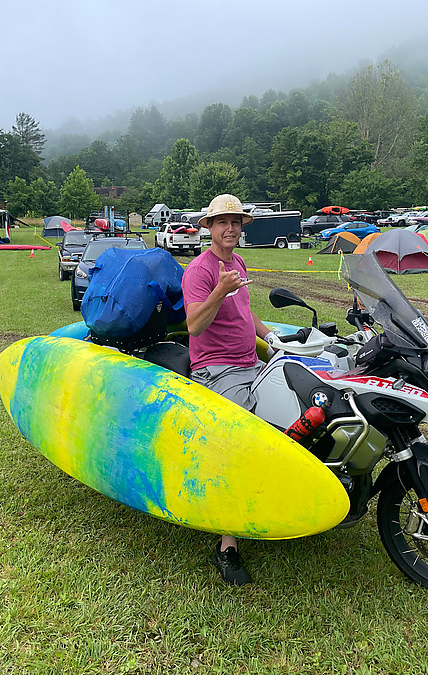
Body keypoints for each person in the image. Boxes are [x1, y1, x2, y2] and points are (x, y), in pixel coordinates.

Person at [181, 194, 276, 586]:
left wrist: (273, 338)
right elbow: (194, 326)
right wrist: (219, 290)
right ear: (209, 228)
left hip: (249, 364)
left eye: (236, 222)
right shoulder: (199, 271)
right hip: (216, 371)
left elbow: (244, 311)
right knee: (238, 440)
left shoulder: (237, 262)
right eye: (223, 222)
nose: (231, 228)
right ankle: (227, 544)